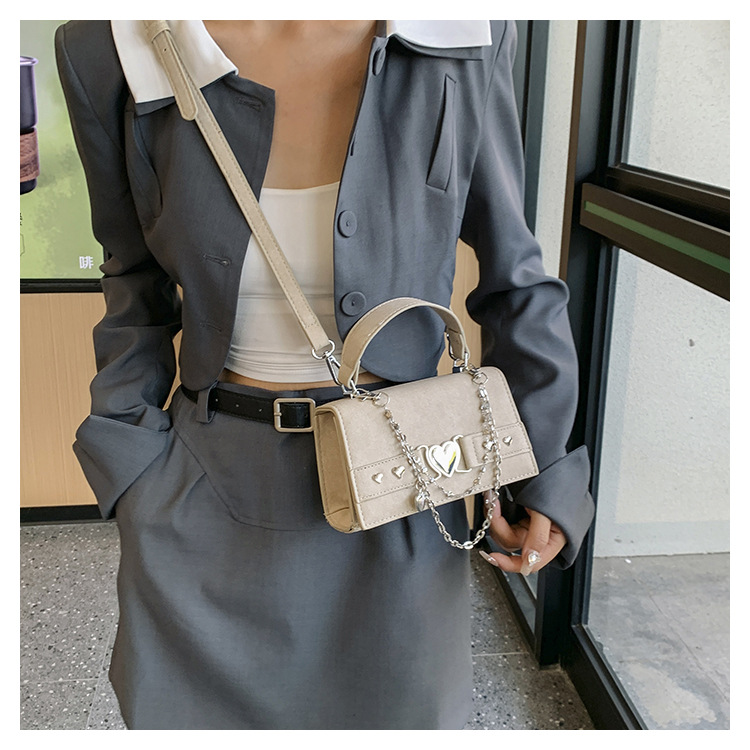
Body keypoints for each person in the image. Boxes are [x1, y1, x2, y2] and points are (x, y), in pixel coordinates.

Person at [55, 19, 595, 730]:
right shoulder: (110, 46)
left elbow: (514, 277)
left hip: (404, 491)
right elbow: (131, 278)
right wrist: (131, 468)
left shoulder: (463, 34)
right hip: (200, 497)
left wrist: (545, 470)